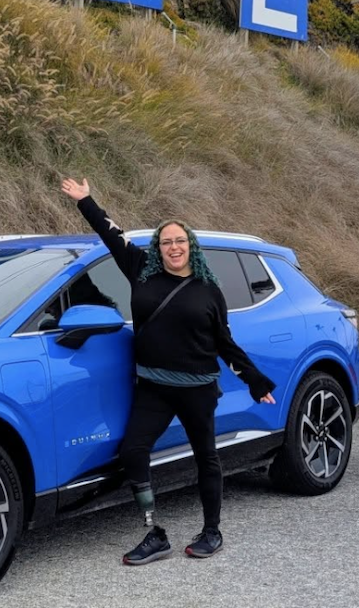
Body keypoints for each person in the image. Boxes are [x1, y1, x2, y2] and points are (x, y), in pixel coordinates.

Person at [59, 177, 276, 565]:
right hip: (153, 386)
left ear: (191, 246)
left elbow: (224, 343)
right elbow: (112, 235)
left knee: (206, 457)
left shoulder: (209, 290)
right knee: (133, 451)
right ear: (158, 248)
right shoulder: (141, 270)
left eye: (179, 241)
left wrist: (255, 379)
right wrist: (86, 201)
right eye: (166, 242)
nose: (173, 247)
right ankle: (153, 531)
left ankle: (212, 531)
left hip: (197, 388)